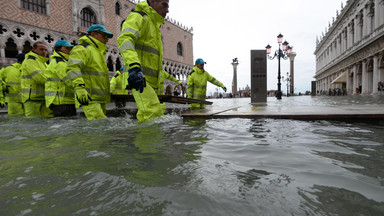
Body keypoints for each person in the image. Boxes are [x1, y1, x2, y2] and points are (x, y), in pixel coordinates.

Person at [117, 0, 169, 122]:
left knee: (156, 114)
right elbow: (125, 39)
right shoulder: (139, 17)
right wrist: (134, 66)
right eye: (164, 4)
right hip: (139, 78)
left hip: (151, 81)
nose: (167, 10)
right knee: (152, 114)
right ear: (152, 2)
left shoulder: (155, 26)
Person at [65, 24, 113, 120]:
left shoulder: (98, 52)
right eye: (105, 36)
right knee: (99, 126)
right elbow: (73, 68)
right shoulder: (82, 48)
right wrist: (79, 88)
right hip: (88, 98)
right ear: (94, 34)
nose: (107, 40)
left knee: (100, 127)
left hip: (100, 98)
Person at [21, 41, 54, 118]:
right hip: (32, 98)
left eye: (45, 50)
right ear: (34, 49)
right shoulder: (30, 60)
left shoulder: (44, 63)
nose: (44, 52)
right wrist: (53, 85)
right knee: (33, 123)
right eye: (41, 49)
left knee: (48, 120)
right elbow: (39, 78)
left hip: (44, 97)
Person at [45, 40, 76, 117]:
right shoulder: (59, 62)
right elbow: (69, 80)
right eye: (67, 48)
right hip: (59, 101)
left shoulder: (64, 61)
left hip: (66, 100)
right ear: (59, 49)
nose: (69, 50)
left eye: (70, 48)